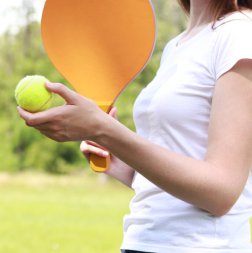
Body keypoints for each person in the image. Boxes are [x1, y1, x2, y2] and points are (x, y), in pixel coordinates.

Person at [17, 0, 252, 252]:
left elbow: (221, 192)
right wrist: (126, 165)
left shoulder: (240, 34)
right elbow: (178, 178)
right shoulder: (178, 44)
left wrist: (104, 129)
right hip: (142, 241)